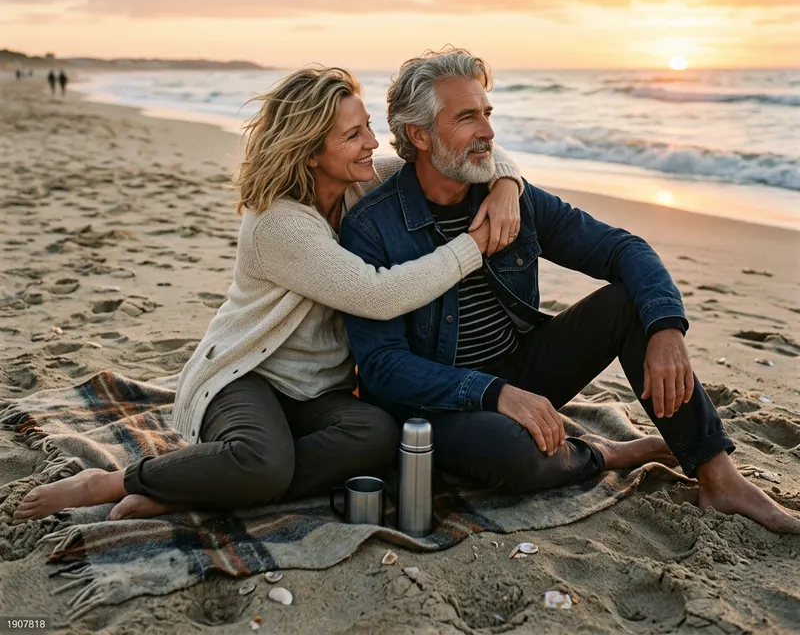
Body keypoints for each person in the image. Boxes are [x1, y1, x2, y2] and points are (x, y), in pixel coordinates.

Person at [13, 66, 524, 524]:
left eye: (367, 125)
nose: (373, 142)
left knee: (377, 436)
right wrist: (474, 245)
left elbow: (462, 153)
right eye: (353, 134)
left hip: (317, 391)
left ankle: (200, 488)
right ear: (309, 150)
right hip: (245, 376)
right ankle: (116, 481)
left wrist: (505, 186)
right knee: (263, 462)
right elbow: (378, 295)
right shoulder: (278, 222)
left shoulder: (363, 185)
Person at [341, 48, 800, 535]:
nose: (489, 132)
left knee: (631, 304)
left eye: (488, 113)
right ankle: (608, 452)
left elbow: (623, 249)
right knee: (509, 454)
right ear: (420, 135)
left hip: (520, 368)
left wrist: (666, 329)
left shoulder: (513, 196)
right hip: (433, 403)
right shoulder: (373, 227)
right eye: (468, 117)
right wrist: (494, 393)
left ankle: (719, 478)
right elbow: (383, 366)